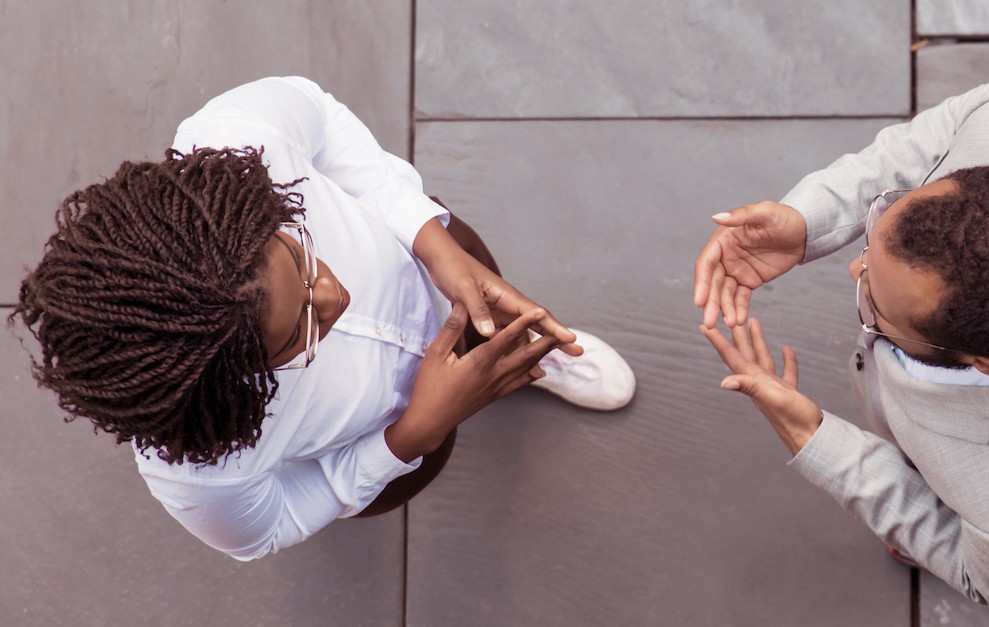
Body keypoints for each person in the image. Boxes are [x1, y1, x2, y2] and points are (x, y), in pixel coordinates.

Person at [13, 76, 635, 560]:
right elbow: (271, 524)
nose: (335, 295)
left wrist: (432, 243)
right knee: (429, 456)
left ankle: (526, 352)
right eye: (303, 333)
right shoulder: (199, 473)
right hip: (390, 426)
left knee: (489, 289)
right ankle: (498, 371)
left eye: (299, 252)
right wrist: (413, 435)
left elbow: (319, 115)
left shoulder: (231, 135)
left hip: (427, 264)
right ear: (231, 381)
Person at [693, 73, 989, 609]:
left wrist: (812, 434)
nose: (854, 265)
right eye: (875, 238)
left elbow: (977, 575)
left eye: (874, 302)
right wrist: (810, 220)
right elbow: (931, 140)